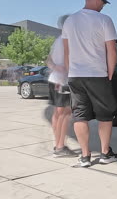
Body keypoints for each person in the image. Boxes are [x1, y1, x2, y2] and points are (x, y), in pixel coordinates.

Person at [62, 0, 117, 167]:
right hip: (97, 74)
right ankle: (104, 153)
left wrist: (69, 72)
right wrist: (110, 72)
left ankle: (85, 157)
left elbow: (67, 51)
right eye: (102, 2)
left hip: (76, 75)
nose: (103, 5)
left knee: (80, 115)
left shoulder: (70, 21)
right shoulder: (104, 20)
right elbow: (112, 50)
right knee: (105, 115)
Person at [47, 15, 77, 158]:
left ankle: (58, 144)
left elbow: (48, 59)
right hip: (63, 81)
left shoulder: (57, 40)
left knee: (57, 114)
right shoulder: (69, 40)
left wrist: (55, 67)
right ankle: (60, 147)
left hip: (54, 79)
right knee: (65, 114)